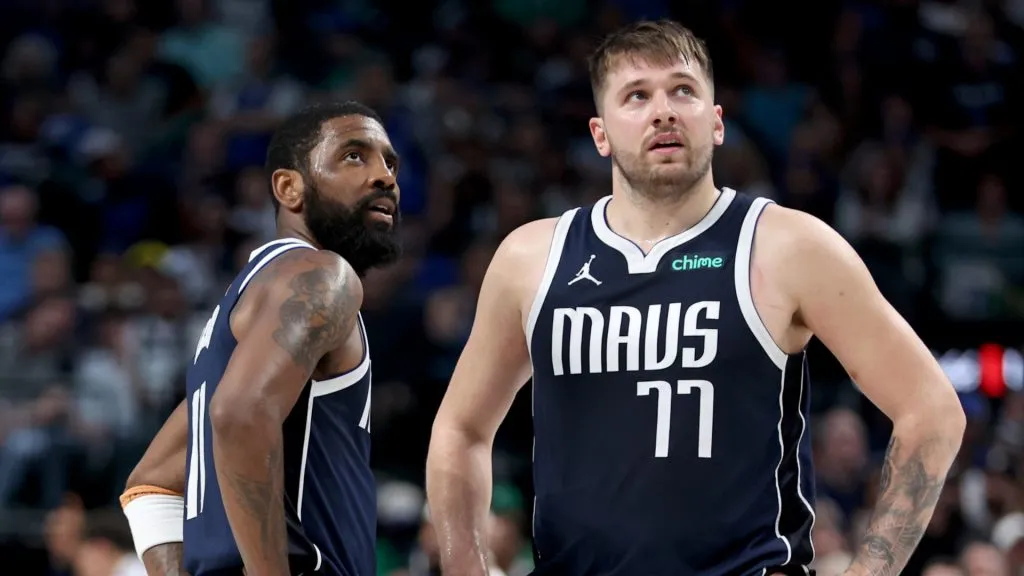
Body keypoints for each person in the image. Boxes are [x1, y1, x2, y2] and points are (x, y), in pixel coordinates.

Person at [425, 19, 965, 576]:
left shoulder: (788, 245)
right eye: (637, 96)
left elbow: (931, 407)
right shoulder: (531, 258)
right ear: (600, 134)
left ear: (717, 121)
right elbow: (459, 430)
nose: (663, 111)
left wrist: (870, 571)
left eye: (683, 90)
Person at [119, 100, 403, 576]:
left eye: (390, 163)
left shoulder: (248, 302)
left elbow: (151, 488)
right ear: (289, 188)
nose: (384, 177)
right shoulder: (321, 275)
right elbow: (240, 415)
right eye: (354, 156)